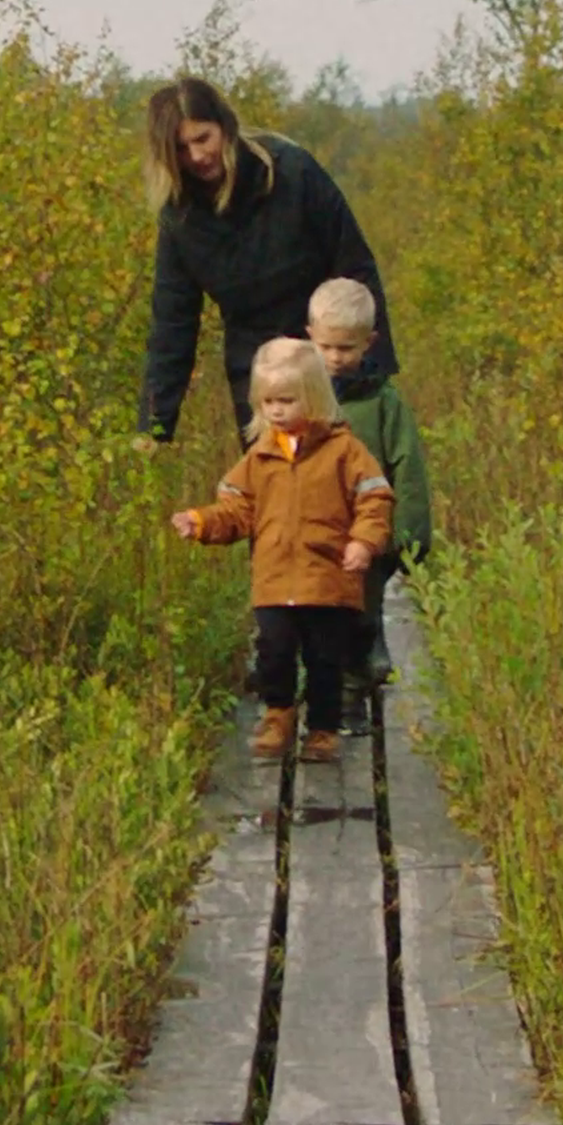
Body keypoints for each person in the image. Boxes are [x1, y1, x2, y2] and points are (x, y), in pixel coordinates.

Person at [167, 337, 395, 764]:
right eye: (268, 401)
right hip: (274, 578)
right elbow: (238, 509)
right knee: (273, 649)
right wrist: (201, 522)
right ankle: (278, 713)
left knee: (325, 658)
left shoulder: (344, 451)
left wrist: (364, 541)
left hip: (326, 577)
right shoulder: (261, 456)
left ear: (313, 398)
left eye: (287, 400)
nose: (276, 410)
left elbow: (375, 497)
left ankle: (323, 728)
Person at [138, 73, 397, 444]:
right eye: (181, 148)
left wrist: (370, 372)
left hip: (329, 362)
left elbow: (355, 266)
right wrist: (154, 426)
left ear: (224, 127)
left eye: (202, 138)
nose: (196, 156)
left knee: (347, 487)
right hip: (259, 376)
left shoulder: (292, 172)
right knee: (275, 493)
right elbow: (172, 326)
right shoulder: (179, 219)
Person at [305, 276, 429, 739]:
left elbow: (407, 465)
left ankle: (352, 696)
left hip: (367, 533)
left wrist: (410, 536)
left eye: (347, 348)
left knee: (359, 613)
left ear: (368, 343)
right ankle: (318, 691)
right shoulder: (300, 397)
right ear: (309, 338)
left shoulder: (383, 402)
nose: (336, 358)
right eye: (327, 347)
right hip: (314, 531)